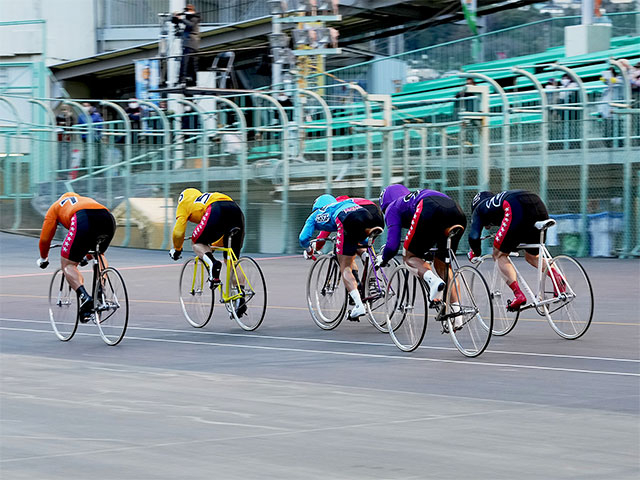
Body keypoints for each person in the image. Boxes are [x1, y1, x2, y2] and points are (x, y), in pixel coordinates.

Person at [467, 190, 564, 311]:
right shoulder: (494, 202)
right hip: (537, 203)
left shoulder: (478, 209)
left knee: (498, 255)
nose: (488, 227)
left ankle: (518, 295)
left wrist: (475, 253)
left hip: (515, 206)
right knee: (533, 257)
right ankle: (558, 278)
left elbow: (474, 236)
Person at [377, 185, 467, 307]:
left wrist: (384, 258)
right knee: (443, 264)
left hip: (429, 208)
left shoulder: (392, 207)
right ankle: (457, 314)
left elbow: (393, 245)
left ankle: (434, 282)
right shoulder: (412, 197)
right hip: (457, 211)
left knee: (409, 257)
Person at [37, 192, 116, 321]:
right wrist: (85, 258)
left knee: (68, 264)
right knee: (99, 254)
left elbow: (45, 240)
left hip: (83, 218)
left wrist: (43, 258)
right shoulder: (85, 199)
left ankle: (85, 298)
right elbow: (88, 245)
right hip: (108, 218)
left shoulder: (56, 206)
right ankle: (101, 290)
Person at [299, 194, 379, 319]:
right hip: (366, 214)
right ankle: (372, 263)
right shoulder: (341, 204)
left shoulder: (316, 214)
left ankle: (359, 305)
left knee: (345, 267)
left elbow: (303, 238)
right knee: (359, 246)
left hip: (345, 219)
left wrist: (309, 251)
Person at [169, 188, 245, 306]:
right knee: (232, 261)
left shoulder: (184, 204)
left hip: (215, 209)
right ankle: (240, 296)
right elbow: (220, 237)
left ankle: (213, 265)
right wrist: (212, 246)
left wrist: (177, 249)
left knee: (196, 242)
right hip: (236, 210)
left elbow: (178, 232)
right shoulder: (203, 197)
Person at [173, 4, 200, 87]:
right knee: (190, 63)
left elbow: (190, 25)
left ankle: (184, 80)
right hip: (190, 43)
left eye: (187, 10)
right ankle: (190, 81)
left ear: (191, 11)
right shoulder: (189, 18)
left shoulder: (195, 18)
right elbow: (175, 21)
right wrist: (176, 17)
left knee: (186, 63)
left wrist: (181, 18)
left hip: (191, 43)